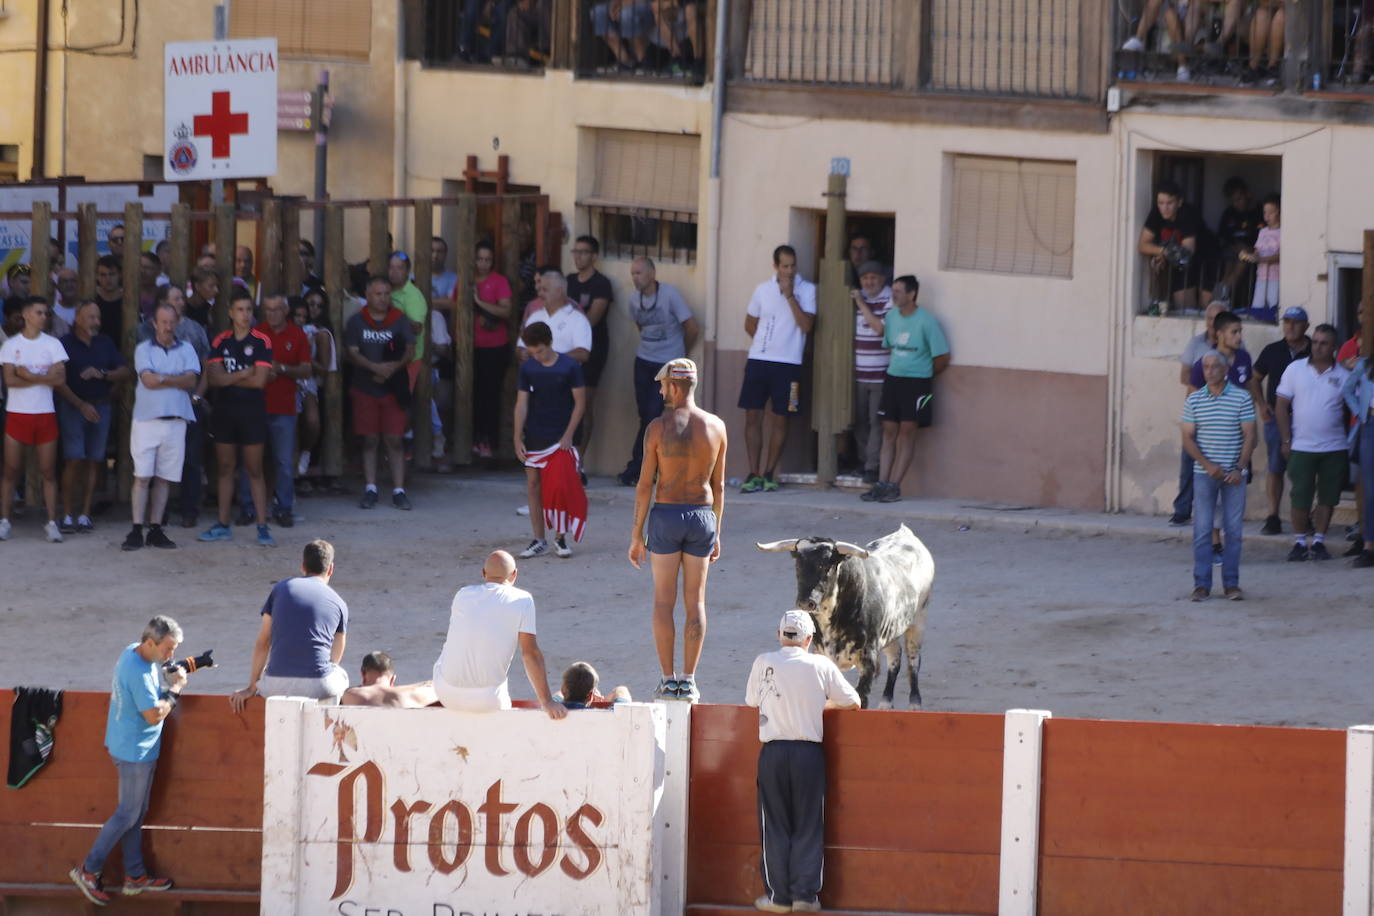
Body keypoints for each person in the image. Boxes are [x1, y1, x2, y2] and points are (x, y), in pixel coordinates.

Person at [745, 609, 860, 914]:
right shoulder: (820, 664)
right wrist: (823, 703)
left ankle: (778, 897)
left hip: (774, 751)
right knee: (809, 824)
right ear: (810, 639)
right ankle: (805, 897)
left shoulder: (764, 661)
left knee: (775, 825)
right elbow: (854, 702)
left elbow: (751, 702)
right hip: (809, 753)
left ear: (779, 636)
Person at [68, 616, 187, 905]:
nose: (171, 656)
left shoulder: (133, 651)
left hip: (130, 745)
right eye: (168, 649)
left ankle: (135, 874)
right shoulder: (137, 670)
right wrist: (176, 689)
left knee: (135, 813)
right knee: (127, 814)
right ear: (150, 642)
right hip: (135, 751)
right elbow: (153, 714)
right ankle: (89, 869)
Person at [628, 357, 726, 703]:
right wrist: (717, 531)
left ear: (673, 386)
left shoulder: (656, 429)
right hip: (702, 516)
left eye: (662, 384)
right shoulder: (716, 426)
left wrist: (636, 535)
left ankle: (668, 679)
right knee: (695, 602)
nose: (659, 389)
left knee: (663, 601)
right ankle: (690, 680)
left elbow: (644, 485)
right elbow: (720, 484)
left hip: (667, 515)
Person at [431, 549, 567, 718]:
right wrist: (547, 702)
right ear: (514, 575)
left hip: (446, 695)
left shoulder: (462, 594)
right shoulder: (523, 599)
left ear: (483, 573)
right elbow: (529, 654)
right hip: (488, 701)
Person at [229, 539, 350, 711]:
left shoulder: (281, 589)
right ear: (331, 568)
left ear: (303, 566)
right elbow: (337, 650)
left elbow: (263, 641)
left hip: (275, 684)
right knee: (341, 675)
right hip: (319, 686)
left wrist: (251, 687)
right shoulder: (339, 603)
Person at [738, 245, 817, 493]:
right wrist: (766, 345)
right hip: (759, 362)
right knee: (753, 416)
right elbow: (750, 324)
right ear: (776, 266)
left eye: (793, 265)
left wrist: (790, 295)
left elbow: (806, 326)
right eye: (785, 266)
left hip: (791, 365)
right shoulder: (762, 289)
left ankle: (770, 472)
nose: (790, 271)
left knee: (782, 417)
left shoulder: (808, 290)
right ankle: (755, 472)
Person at [200, 293, 275, 547]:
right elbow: (214, 379)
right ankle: (223, 524)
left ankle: (262, 526)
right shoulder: (220, 341)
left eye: (248, 309)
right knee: (225, 469)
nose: (245, 314)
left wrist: (231, 376)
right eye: (240, 309)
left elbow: (260, 381)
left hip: (252, 412)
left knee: (255, 470)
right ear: (230, 313)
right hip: (225, 411)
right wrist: (244, 372)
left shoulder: (262, 341)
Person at [866, 275, 950, 504]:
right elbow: (890, 345)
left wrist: (923, 375)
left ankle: (894, 486)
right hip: (893, 379)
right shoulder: (891, 317)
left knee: (907, 432)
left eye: (898, 291)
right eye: (893, 291)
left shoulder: (927, 321)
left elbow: (942, 357)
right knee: (889, 430)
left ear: (912, 294)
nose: (894, 295)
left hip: (918, 383)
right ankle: (881, 484)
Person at [1182, 349, 1257, 601]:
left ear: (1226, 370)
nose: (1210, 371)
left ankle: (1231, 584)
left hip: (1234, 475)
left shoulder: (1242, 398)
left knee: (1233, 531)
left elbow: (1250, 435)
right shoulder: (1194, 400)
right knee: (1202, 530)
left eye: (1215, 367)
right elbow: (1187, 439)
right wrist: (1207, 464)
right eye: (1206, 367)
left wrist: (1239, 468)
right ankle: (1201, 585)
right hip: (1204, 474)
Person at [125, 303, 200, 552]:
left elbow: (191, 380)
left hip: (176, 420)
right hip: (147, 420)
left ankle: (155, 528)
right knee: (143, 477)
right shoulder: (142, 349)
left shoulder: (187, 348)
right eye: (163, 322)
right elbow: (147, 380)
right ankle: (137, 528)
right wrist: (175, 379)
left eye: (171, 322)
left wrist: (162, 377)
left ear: (176, 322)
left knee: (164, 479)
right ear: (155, 324)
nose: (168, 327)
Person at [619, 256, 698, 486]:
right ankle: (647, 466)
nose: (635, 278)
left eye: (640, 273)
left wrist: (680, 356)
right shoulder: (634, 300)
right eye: (633, 273)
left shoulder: (670, 295)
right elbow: (640, 326)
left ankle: (639, 466)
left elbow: (691, 327)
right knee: (645, 415)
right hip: (643, 361)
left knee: (655, 414)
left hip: (667, 364)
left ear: (652, 274)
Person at [138, 284, 212, 529]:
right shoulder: (145, 332)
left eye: (182, 298)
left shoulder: (195, 330)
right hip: (153, 411)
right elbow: (147, 376)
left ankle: (189, 510)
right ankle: (159, 515)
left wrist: (197, 396)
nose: (183, 302)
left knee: (190, 460)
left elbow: (200, 372)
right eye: (177, 298)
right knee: (154, 466)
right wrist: (176, 379)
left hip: (188, 405)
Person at [1275, 325, 1350, 562]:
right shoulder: (1295, 369)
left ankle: (1318, 541)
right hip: (1301, 446)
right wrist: (1286, 439)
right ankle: (1299, 542)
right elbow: (1280, 406)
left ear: (1334, 347)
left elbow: (1355, 408)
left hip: (1334, 447)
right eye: (1315, 342)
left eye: (1323, 343)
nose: (1317, 347)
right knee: (1300, 496)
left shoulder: (1344, 376)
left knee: (1328, 497)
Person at [55, 301, 129, 533]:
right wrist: (80, 404)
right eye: (90, 317)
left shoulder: (105, 342)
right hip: (72, 407)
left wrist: (103, 374)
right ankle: (67, 514)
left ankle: (85, 514)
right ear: (77, 317)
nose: (96, 322)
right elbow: (58, 381)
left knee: (95, 460)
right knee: (73, 458)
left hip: (101, 407)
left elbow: (125, 370)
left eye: (97, 317)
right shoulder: (64, 343)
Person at [514, 321, 586, 558]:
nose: (537, 356)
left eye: (540, 350)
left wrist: (568, 435)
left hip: (560, 437)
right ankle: (538, 539)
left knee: (559, 488)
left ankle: (560, 538)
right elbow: (521, 404)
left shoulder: (570, 366)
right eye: (532, 352)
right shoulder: (527, 368)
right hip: (535, 434)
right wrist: (517, 436)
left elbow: (580, 403)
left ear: (550, 343)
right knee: (533, 486)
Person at [344, 275, 415, 510]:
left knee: (395, 440)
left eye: (386, 294)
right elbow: (352, 351)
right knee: (370, 440)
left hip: (393, 390)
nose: (383, 298)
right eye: (378, 293)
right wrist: (375, 368)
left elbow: (411, 349)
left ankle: (398, 490)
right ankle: (371, 488)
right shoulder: (356, 321)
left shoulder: (400, 319)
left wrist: (391, 368)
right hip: (365, 388)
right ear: (368, 294)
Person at [239, 294, 311, 529]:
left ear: (286, 310)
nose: (272, 314)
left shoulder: (297, 335)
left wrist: (280, 368)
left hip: (284, 408)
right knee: (250, 461)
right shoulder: (256, 333)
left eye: (277, 309)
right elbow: (243, 366)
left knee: (283, 461)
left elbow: (306, 370)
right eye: (268, 310)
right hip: (255, 407)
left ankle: (284, 508)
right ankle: (248, 508)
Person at [0, 297, 67, 543]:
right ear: (26, 315)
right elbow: (10, 381)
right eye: (39, 312)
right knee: (10, 471)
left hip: (44, 414)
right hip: (18, 414)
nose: (44, 317)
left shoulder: (53, 344)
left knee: (48, 472)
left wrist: (28, 374)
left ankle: (51, 522)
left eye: (46, 313)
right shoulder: (10, 346)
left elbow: (60, 380)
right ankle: (4, 521)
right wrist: (43, 376)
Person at [1253, 306, 1311, 534]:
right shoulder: (1272, 350)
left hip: (1306, 421)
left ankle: (1304, 517)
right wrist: (1262, 404)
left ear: (1306, 326)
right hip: (1277, 420)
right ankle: (1273, 516)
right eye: (1286, 321)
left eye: (1295, 322)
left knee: (1305, 470)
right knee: (1275, 468)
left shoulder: (1315, 350)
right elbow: (1254, 378)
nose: (1290, 326)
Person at [1169, 301, 1227, 525]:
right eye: (1210, 318)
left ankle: (1217, 515)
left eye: (1218, 317)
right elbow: (1184, 376)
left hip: (1222, 414)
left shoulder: (1233, 346)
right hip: (1197, 411)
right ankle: (1182, 510)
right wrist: (1207, 384)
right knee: (1188, 462)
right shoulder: (1196, 343)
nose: (1213, 323)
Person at [567, 235, 613, 453]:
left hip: (592, 350)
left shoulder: (601, 284)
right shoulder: (568, 281)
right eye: (575, 251)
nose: (578, 256)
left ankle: (580, 459)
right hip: (566, 350)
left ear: (594, 256)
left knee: (584, 404)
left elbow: (591, 320)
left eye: (584, 252)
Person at [470, 241, 514, 459]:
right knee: (470, 394)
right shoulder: (466, 280)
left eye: (488, 259)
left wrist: (479, 301)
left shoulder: (499, 281)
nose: (483, 263)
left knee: (490, 396)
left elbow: (506, 311)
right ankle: (473, 440)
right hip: (470, 348)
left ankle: (489, 441)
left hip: (495, 347)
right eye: (480, 259)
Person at [850, 261, 892, 484]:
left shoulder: (888, 298)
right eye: (865, 278)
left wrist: (860, 302)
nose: (869, 282)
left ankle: (872, 467)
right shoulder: (858, 297)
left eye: (874, 278)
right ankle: (864, 461)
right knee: (859, 421)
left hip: (879, 374)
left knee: (876, 421)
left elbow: (880, 329)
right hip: (858, 373)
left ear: (882, 279)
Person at [1139, 182, 1209, 312]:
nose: (1164, 208)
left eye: (1169, 203)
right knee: (1184, 311)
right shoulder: (1156, 213)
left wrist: (1162, 255)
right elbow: (1143, 245)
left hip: (1206, 259)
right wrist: (1163, 252)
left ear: (1179, 202)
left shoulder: (1188, 214)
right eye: (1160, 203)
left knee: (1207, 309)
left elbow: (1186, 253)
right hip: (1181, 266)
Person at [1342, 350, 1374, 568]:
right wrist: (1360, 414)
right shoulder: (1365, 365)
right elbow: (1347, 390)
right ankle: (1369, 546)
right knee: (1371, 491)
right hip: (1370, 426)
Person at [519, 269, 592, 364]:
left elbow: (583, 354)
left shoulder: (578, 319)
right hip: (536, 376)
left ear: (559, 292)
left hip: (563, 377)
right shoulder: (534, 316)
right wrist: (521, 353)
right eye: (540, 289)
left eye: (545, 290)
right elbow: (520, 347)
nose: (540, 294)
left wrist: (553, 357)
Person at [1214, 177, 1262, 304]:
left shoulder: (1257, 212)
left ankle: (1223, 296)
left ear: (1247, 194)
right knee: (1228, 266)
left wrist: (1247, 248)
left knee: (1243, 259)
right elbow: (1223, 236)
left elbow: (1262, 236)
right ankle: (1220, 297)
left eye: (1239, 199)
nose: (1237, 203)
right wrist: (1236, 246)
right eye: (1233, 201)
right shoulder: (1229, 213)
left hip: (1251, 251)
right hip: (1231, 249)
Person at [388, 251, 429, 392]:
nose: (394, 272)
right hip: (389, 354)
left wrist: (391, 312)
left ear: (407, 271)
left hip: (408, 359)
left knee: (400, 401)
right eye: (391, 267)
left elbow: (417, 328)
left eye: (399, 268)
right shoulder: (386, 291)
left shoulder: (413, 296)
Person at [341, 651, 439, 708]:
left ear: (362, 674)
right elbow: (438, 688)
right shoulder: (407, 694)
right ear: (392, 679)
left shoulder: (350, 695)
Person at [1240, 195, 1281, 323]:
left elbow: (1282, 256)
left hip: (1276, 278)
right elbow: (1257, 251)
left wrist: (1260, 260)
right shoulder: (1262, 231)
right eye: (1265, 212)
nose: (1267, 216)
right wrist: (1248, 255)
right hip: (1261, 277)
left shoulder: (1284, 231)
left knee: (1274, 311)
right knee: (1256, 311)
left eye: (1271, 212)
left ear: (1279, 212)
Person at [557, 661, 631, 709]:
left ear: (563, 690)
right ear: (590, 696)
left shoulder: (550, 710)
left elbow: (558, 695)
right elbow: (622, 690)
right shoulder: (606, 714)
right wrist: (601, 702)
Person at [93, 256, 125, 345]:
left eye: (112, 274)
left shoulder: (128, 299)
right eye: (103, 275)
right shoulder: (92, 297)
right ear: (97, 277)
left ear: (120, 275)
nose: (108, 279)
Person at [430, 236, 458, 303]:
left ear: (445, 254)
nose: (435, 255)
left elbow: (451, 303)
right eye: (431, 250)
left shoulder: (454, 279)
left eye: (439, 251)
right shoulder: (413, 278)